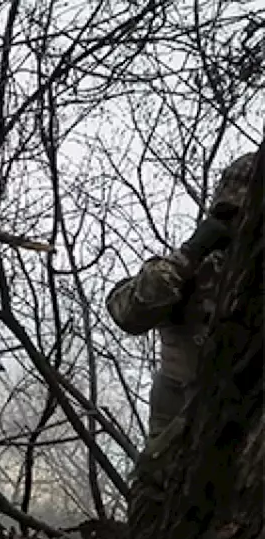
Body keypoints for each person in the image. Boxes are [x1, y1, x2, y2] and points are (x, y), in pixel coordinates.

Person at [106, 149, 256, 519]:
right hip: (173, 462)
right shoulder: (191, 271)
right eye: (226, 215)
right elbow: (128, 311)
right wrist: (192, 251)